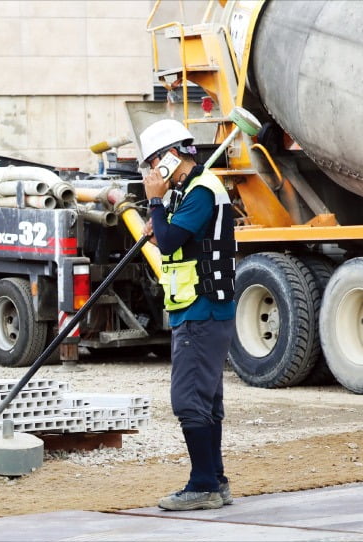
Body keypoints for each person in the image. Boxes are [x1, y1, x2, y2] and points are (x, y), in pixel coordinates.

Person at [139, 119, 236, 511]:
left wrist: (155, 203)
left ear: (169, 157)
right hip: (195, 308)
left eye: (152, 162)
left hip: (201, 309)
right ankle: (215, 480)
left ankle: (203, 485)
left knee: (188, 399)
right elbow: (170, 236)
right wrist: (161, 214)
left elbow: (168, 242)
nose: (149, 172)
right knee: (205, 400)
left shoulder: (198, 192)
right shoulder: (190, 191)